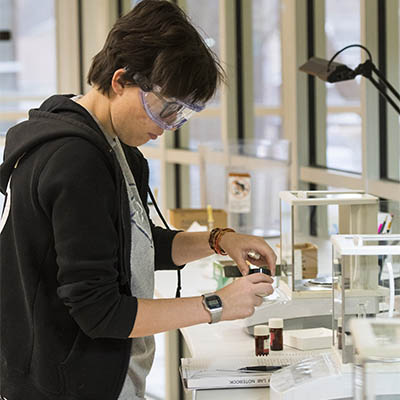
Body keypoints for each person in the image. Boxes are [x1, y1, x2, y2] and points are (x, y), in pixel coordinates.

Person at [0, 1, 276, 399]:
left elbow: (136, 247)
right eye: (164, 109)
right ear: (120, 81)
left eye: (181, 115)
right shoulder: (75, 161)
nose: (167, 126)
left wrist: (219, 240)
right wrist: (217, 304)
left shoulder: (111, 145)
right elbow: (100, 310)